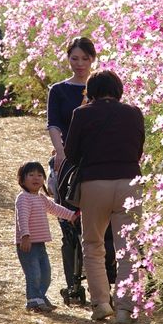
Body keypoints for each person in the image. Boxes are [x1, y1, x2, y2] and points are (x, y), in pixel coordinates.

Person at [64, 70, 145, 324]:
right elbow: (139, 148)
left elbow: (71, 153)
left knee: (93, 244)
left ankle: (101, 303)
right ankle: (125, 308)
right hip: (129, 182)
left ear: (91, 91)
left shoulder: (82, 114)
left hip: (95, 184)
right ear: (118, 89)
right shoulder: (134, 112)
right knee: (128, 247)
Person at [47, 37, 117, 300]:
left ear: (93, 60)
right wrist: (62, 154)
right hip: (68, 159)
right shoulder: (59, 90)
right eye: (74, 58)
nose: (79, 64)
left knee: (105, 224)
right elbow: (54, 124)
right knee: (70, 219)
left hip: (98, 160)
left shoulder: (102, 87)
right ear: (68, 58)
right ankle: (73, 281)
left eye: (84, 59)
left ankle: (107, 275)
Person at [15, 161, 78, 312]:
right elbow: (22, 218)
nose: (36, 178)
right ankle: (33, 301)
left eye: (39, 175)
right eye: (31, 175)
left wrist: (71, 215)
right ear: (22, 180)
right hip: (27, 243)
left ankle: (40, 296)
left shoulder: (41, 198)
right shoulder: (23, 198)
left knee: (45, 274)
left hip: (40, 243)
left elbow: (55, 208)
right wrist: (25, 236)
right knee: (34, 273)